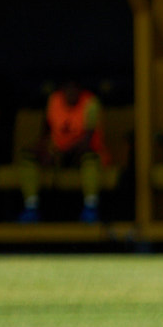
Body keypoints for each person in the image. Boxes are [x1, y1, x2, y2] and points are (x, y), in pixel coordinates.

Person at [16, 77, 104, 224]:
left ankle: (91, 208)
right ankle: (31, 208)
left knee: (90, 159)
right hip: (57, 153)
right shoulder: (54, 100)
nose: (71, 92)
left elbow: (86, 142)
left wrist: (58, 153)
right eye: (67, 88)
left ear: (80, 90)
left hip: (81, 154)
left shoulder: (90, 103)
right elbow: (46, 132)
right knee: (27, 157)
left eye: (74, 88)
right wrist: (42, 150)